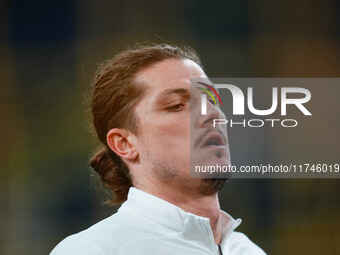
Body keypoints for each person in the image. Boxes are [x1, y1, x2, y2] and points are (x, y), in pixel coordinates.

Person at [50, 44, 266, 255]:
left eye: (212, 101)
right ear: (124, 144)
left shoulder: (247, 250)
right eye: (177, 105)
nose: (213, 114)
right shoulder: (91, 250)